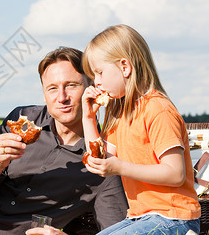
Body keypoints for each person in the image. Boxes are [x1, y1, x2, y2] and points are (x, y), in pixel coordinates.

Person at [0, 47, 128, 235]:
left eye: (71, 85)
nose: (62, 97)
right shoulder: (21, 119)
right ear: (44, 93)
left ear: (91, 87)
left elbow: (116, 230)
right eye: (52, 88)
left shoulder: (102, 162)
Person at [80, 24, 200, 234]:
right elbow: (101, 159)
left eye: (99, 73)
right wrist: (88, 118)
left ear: (124, 67)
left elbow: (175, 173)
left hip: (174, 217)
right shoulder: (119, 113)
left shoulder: (157, 108)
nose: (96, 82)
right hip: (139, 216)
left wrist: (120, 167)